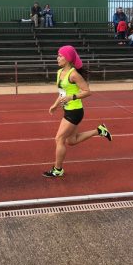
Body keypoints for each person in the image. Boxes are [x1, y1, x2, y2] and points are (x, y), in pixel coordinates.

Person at [43, 45, 112, 177]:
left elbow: (87, 91)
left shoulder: (73, 74)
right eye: (58, 55)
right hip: (67, 109)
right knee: (71, 141)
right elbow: (63, 92)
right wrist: (55, 104)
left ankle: (58, 169)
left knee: (59, 139)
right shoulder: (59, 72)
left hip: (75, 111)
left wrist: (72, 97)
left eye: (60, 55)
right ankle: (100, 130)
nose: (57, 58)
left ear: (68, 58)